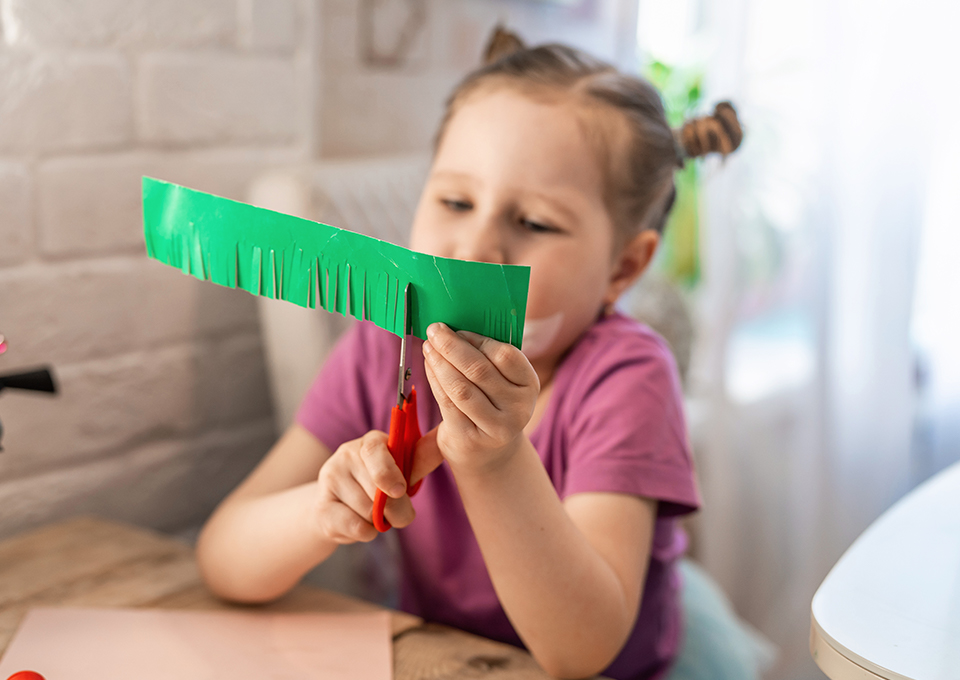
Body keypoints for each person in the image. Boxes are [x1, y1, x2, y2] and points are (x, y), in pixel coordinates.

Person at [196, 28, 742, 680]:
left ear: (622, 268)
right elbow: (222, 559)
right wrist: (321, 510)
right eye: (455, 201)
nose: (475, 248)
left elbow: (581, 652)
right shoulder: (382, 348)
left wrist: (496, 460)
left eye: (534, 223)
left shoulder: (628, 377)